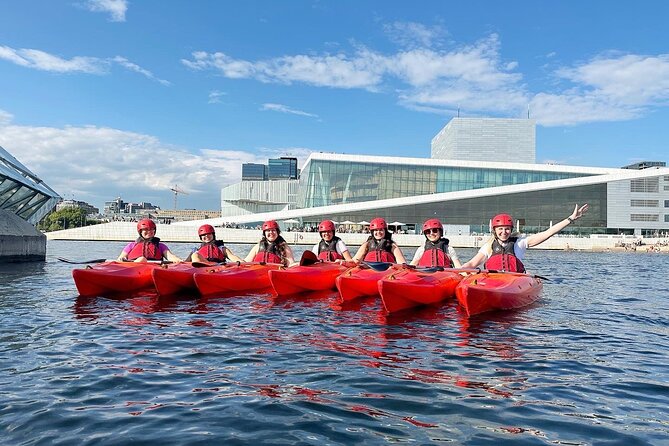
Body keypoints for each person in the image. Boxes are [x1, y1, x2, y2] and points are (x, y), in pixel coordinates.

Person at [462, 204, 589, 272]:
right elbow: (472, 264)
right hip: (492, 282)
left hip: (513, 281)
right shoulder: (488, 247)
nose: (504, 232)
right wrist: (458, 271)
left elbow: (548, 233)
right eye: (500, 229)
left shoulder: (520, 243)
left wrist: (570, 219)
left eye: (507, 229)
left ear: (511, 230)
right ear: (495, 231)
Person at [117, 218, 183, 263]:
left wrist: (178, 260)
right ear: (140, 232)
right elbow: (120, 258)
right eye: (145, 229)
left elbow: (170, 256)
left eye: (151, 229)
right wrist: (122, 259)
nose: (149, 231)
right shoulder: (131, 245)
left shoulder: (161, 246)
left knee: (142, 259)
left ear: (154, 231)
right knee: (142, 259)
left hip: (153, 268)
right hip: (133, 267)